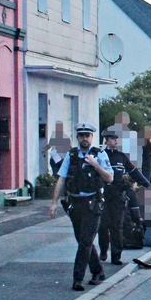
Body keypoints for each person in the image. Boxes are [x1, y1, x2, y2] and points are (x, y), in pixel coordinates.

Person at [48, 123, 113, 290]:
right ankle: (98, 271)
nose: (85, 138)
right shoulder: (72, 155)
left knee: (85, 241)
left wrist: (95, 165)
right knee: (83, 241)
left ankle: (77, 279)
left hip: (93, 203)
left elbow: (109, 178)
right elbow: (61, 179)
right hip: (75, 204)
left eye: (88, 135)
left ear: (92, 137)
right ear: (77, 137)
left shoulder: (100, 154)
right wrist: (54, 202)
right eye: (82, 135)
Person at [98, 128, 151, 265]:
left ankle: (116, 256)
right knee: (103, 226)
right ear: (107, 140)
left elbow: (133, 171)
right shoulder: (100, 155)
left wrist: (146, 183)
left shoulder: (121, 156)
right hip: (103, 195)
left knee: (117, 227)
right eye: (113, 138)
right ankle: (104, 250)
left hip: (117, 196)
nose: (116, 141)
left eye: (116, 138)